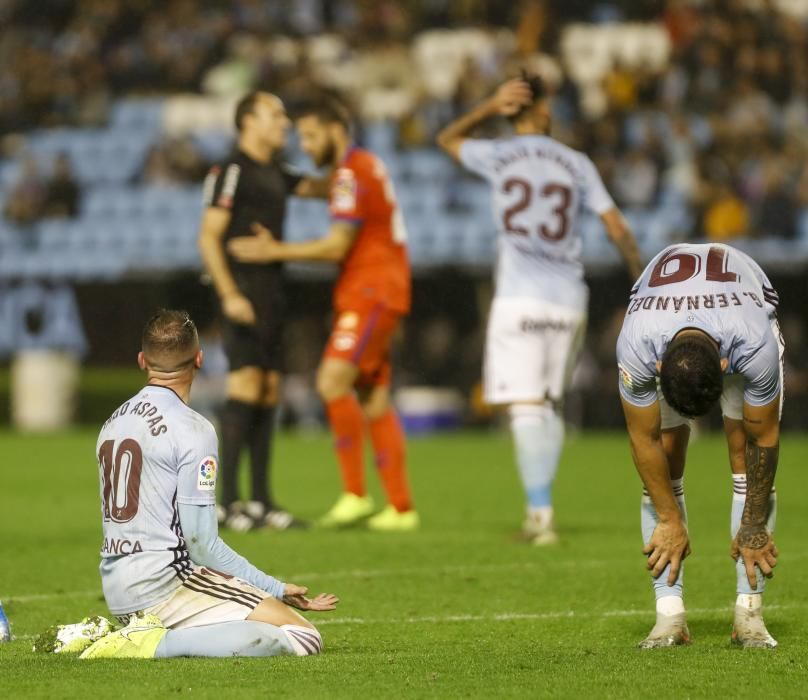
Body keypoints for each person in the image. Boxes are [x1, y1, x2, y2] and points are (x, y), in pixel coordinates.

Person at [436, 73, 643, 544]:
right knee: (548, 403)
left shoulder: (499, 153)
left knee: (526, 407)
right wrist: (640, 280)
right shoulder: (576, 163)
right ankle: (542, 507)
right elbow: (616, 227)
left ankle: (539, 515)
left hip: (519, 297)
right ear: (545, 111)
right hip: (570, 300)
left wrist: (486, 108)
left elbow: (445, 139)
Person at [78, 309, 338, 659]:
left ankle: (127, 632)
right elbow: (201, 543)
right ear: (199, 359)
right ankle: (151, 644)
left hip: (118, 588)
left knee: (245, 621)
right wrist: (274, 588)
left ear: (142, 360)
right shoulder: (194, 429)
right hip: (167, 585)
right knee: (302, 636)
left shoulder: (112, 421)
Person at [228, 98, 418, 532]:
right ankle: (401, 508)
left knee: (330, 380)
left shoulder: (351, 171)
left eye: (311, 136)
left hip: (371, 290)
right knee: (373, 395)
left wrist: (274, 250)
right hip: (382, 289)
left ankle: (354, 495)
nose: (306, 146)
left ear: (336, 129)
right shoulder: (365, 166)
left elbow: (336, 246)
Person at [616, 243, 782, 649]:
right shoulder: (638, 346)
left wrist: (755, 524)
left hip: (743, 309)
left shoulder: (754, 345)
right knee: (665, 459)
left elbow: (764, 438)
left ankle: (750, 616)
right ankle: (668, 617)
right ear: (657, 370)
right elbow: (644, 437)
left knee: (744, 454)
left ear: (726, 367)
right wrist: (670, 520)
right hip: (667, 323)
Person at [198, 90, 326, 531]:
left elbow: (321, 187)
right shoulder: (231, 169)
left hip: (273, 289)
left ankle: (263, 502)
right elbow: (209, 236)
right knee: (246, 385)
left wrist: (344, 155)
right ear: (247, 121)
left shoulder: (275, 171)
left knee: (269, 390)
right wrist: (230, 293)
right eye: (275, 114)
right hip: (244, 288)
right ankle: (227, 502)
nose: (284, 123)